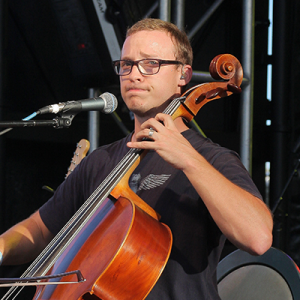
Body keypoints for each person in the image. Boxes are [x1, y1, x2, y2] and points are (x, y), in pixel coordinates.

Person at [0, 18, 273, 299]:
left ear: (184, 75)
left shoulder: (211, 158)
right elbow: (40, 229)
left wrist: (189, 159)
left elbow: (258, 238)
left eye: (151, 63)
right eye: (126, 64)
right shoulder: (101, 161)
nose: (134, 74)